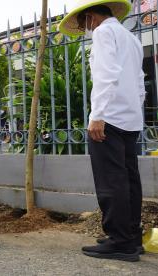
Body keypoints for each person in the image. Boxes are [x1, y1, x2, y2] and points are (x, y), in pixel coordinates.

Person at [59, 0, 145, 262]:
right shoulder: (131, 38)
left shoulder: (103, 32)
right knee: (129, 179)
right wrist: (135, 111)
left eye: (84, 23)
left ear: (91, 18)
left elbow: (106, 75)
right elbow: (140, 81)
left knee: (111, 181)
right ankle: (130, 236)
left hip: (108, 118)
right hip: (130, 118)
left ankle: (120, 242)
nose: (85, 28)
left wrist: (97, 116)